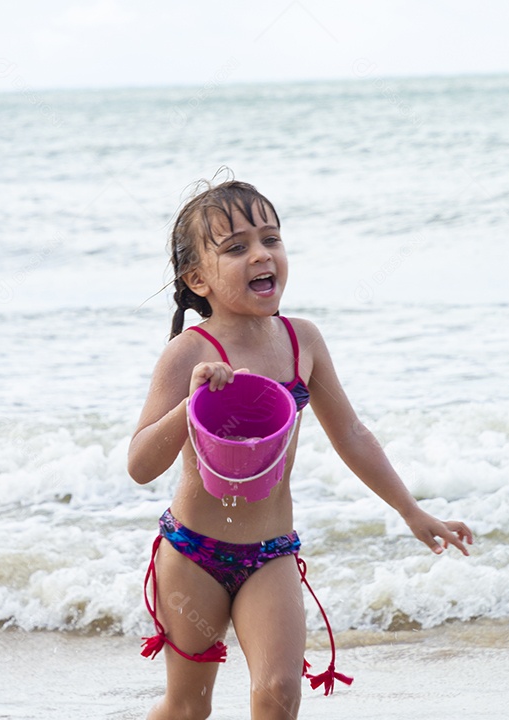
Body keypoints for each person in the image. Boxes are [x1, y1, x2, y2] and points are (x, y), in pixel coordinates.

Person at [128, 178, 473, 719]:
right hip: (193, 552)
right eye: (237, 247)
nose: (262, 254)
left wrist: (410, 510)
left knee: (279, 692)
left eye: (271, 239)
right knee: (187, 708)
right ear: (198, 278)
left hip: (271, 554)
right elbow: (141, 465)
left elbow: (352, 434)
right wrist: (190, 402)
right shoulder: (188, 352)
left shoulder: (302, 341)